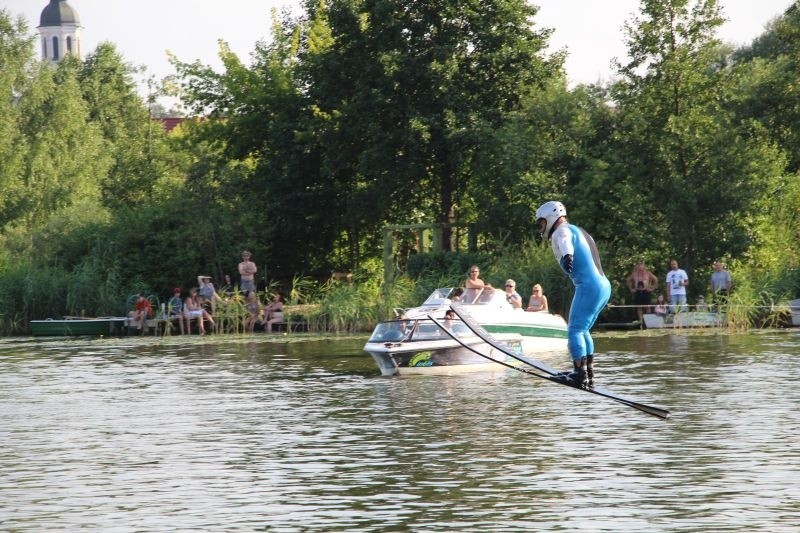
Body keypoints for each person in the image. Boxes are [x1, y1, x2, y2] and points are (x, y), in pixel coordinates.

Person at [535, 201, 611, 388]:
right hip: (604, 286)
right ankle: (587, 372)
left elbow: (564, 241)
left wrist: (568, 256)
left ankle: (579, 374)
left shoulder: (561, 230)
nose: (541, 228)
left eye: (541, 223)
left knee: (575, 330)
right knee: (583, 330)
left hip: (588, 286)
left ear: (551, 217)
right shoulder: (581, 231)